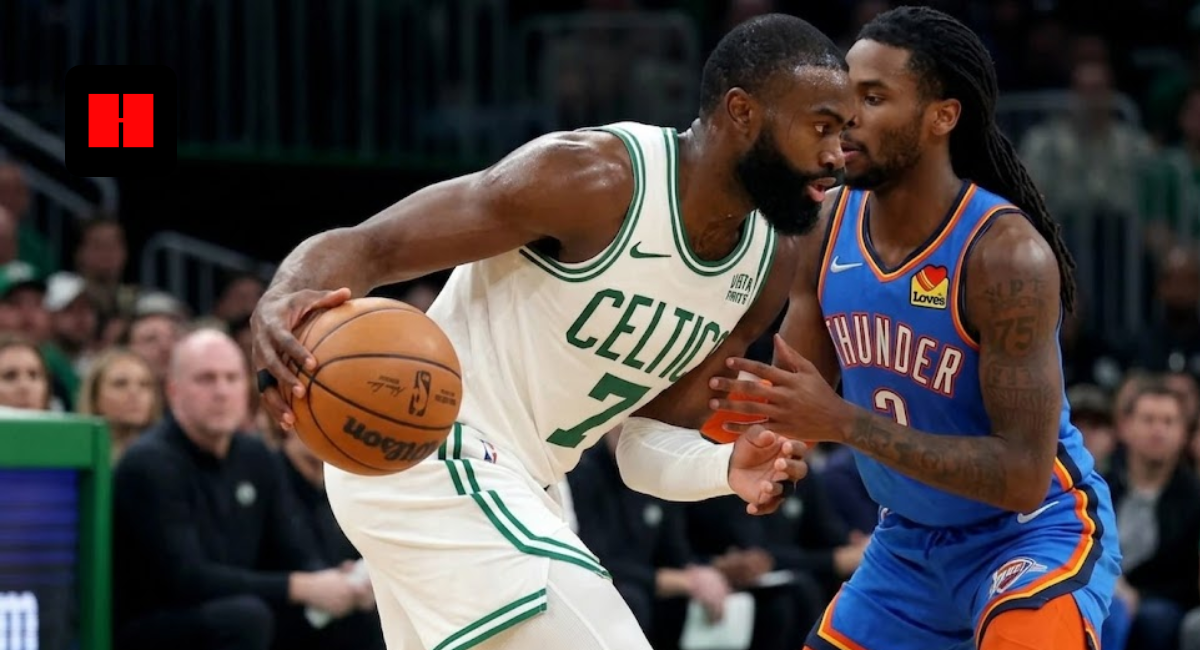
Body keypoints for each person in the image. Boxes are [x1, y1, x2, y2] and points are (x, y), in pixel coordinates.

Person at [251, 14, 851, 650]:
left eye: (843, 133)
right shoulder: (593, 180)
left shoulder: (767, 263)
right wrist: (284, 295)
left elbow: (641, 448)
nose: (838, 155)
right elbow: (373, 246)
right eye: (820, 127)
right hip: (431, 450)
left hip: (528, 485)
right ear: (742, 113)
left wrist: (725, 465)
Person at [708, 7, 1121, 650]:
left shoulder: (1005, 254)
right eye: (846, 95)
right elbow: (796, 400)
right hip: (905, 544)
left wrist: (842, 423)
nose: (849, 117)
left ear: (941, 117)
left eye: (873, 98)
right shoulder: (827, 226)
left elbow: (1020, 475)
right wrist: (766, 452)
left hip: (1031, 533)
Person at [112, 329, 371, 650]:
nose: (221, 391)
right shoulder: (149, 463)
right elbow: (186, 579)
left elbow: (291, 547)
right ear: (173, 391)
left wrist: (333, 581)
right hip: (158, 620)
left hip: (242, 606)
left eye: (232, 378)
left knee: (352, 610)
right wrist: (302, 585)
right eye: (206, 379)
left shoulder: (255, 455)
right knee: (246, 617)